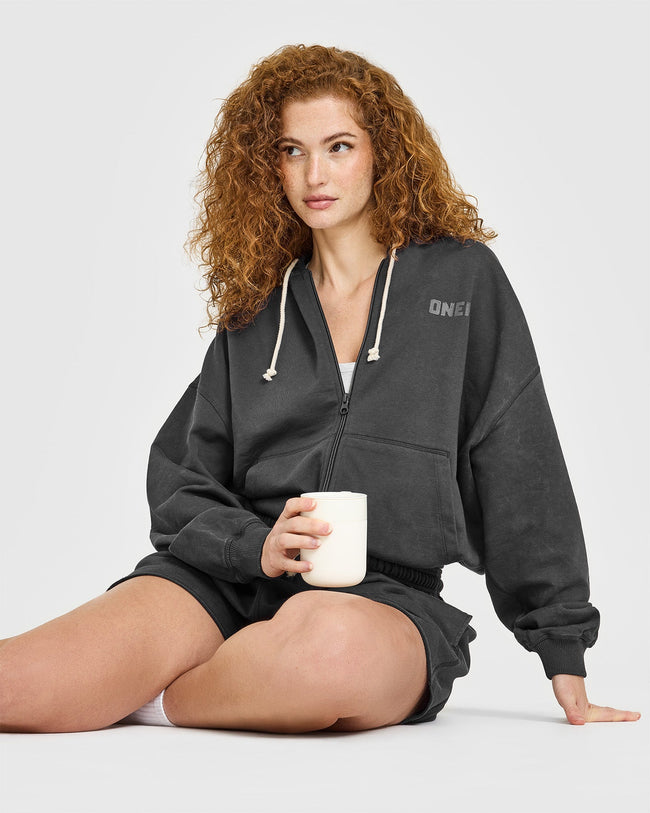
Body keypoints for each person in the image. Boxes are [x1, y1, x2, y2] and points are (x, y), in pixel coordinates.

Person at [0, 44, 640, 734]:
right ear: (267, 165)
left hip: (385, 601)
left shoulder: (460, 282)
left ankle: (160, 700)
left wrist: (561, 647)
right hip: (231, 580)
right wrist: (253, 545)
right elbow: (181, 479)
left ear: (382, 153)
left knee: (328, 654)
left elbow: (519, 461)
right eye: (291, 151)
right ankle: (231, 677)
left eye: (338, 147)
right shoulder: (260, 308)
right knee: (17, 683)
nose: (315, 175)